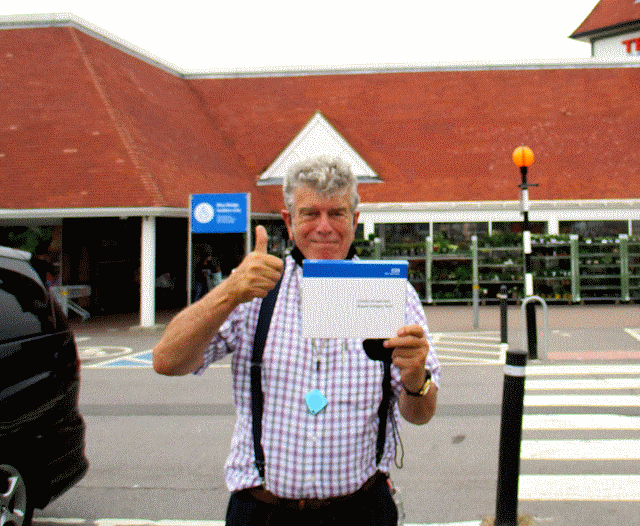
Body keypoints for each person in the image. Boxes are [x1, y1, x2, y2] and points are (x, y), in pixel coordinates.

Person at [153, 156, 440, 525]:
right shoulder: (255, 290)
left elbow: (420, 414)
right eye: (310, 214)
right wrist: (228, 292)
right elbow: (167, 361)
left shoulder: (391, 293)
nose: (324, 227)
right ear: (288, 222)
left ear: (354, 220)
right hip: (264, 511)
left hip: (360, 509)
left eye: (336, 213)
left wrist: (416, 380)